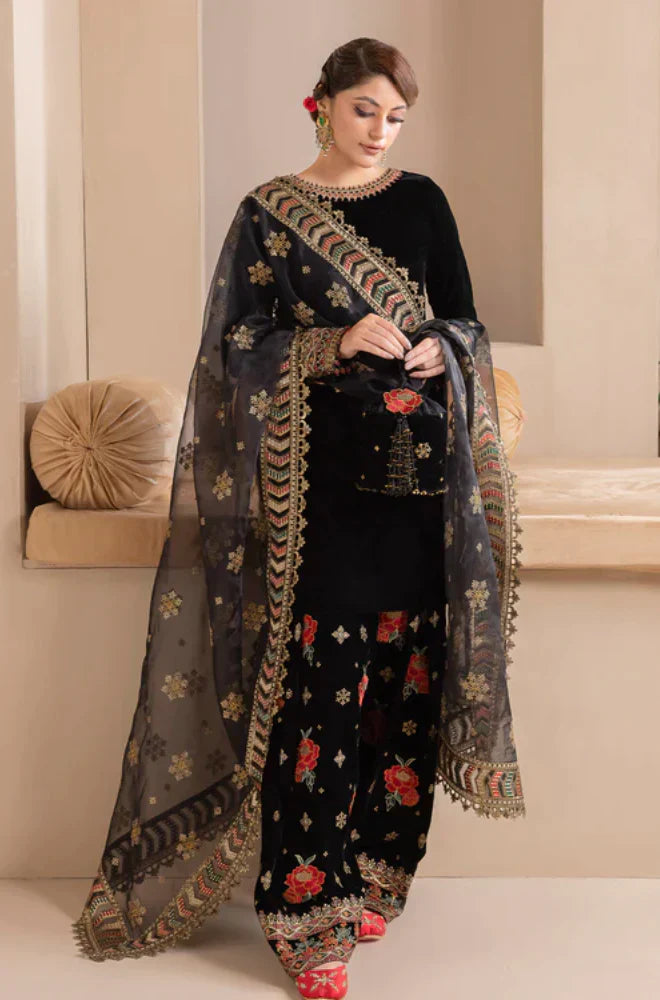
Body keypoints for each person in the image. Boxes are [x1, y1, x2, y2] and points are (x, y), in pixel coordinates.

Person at [72, 36, 525, 1000]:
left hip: (416, 488)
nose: (381, 131)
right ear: (318, 104)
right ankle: (304, 913)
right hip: (319, 494)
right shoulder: (268, 214)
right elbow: (233, 344)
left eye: (395, 116)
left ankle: (377, 872)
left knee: (404, 679)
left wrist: (439, 348)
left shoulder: (424, 202)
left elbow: (467, 320)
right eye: (364, 109)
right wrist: (332, 340)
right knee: (320, 694)